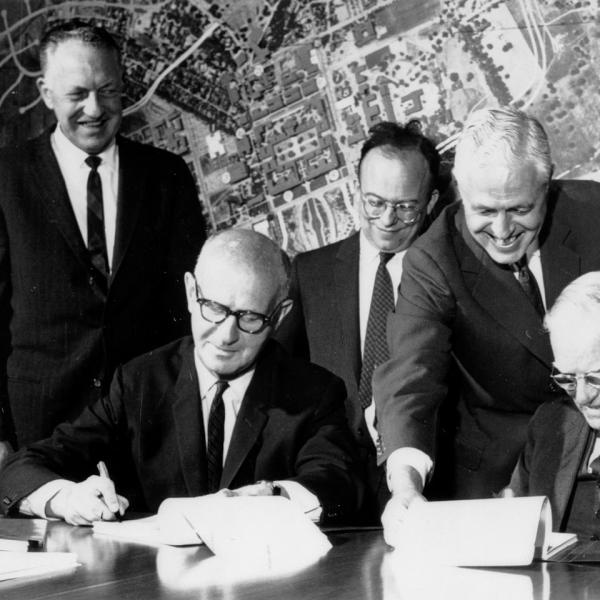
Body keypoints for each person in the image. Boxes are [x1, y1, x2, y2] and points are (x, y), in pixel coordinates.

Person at [0, 230, 362, 526]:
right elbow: (20, 468)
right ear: (191, 292)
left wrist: (278, 496)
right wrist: (66, 498)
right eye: (214, 309)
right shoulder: (139, 382)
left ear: (279, 316)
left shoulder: (314, 393)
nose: (225, 335)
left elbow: (338, 484)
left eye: (249, 317)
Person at [373, 106, 600, 543]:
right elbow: (409, 379)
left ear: (547, 181)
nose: (502, 230)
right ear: (459, 187)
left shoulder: (593, 214)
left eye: (519, 209)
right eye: (484, 211)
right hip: (498, 477)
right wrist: (405, 486)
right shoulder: (432, 260)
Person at [0, 20, 205, 461]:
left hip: (151, 430)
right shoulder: (6, 179)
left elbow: (188, 311)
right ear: (46, 92)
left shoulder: (167, 176)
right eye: (77, 94)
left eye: (108, 91)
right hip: (39, 434)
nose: (94, 109)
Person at [276, 121, 442, 522]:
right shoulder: (310, 272)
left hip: (427, 489)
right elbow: (279, 374)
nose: (387, 219)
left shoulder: (446, 274)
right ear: (356, 194)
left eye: (405, 207)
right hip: (334, 490)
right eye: (374, 203)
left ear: (431, 201)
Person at [508, 272, 600, 536]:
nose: (581, 397)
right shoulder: (550, 423)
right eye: (567, 378)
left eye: (595, 377)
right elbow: (514, 525)